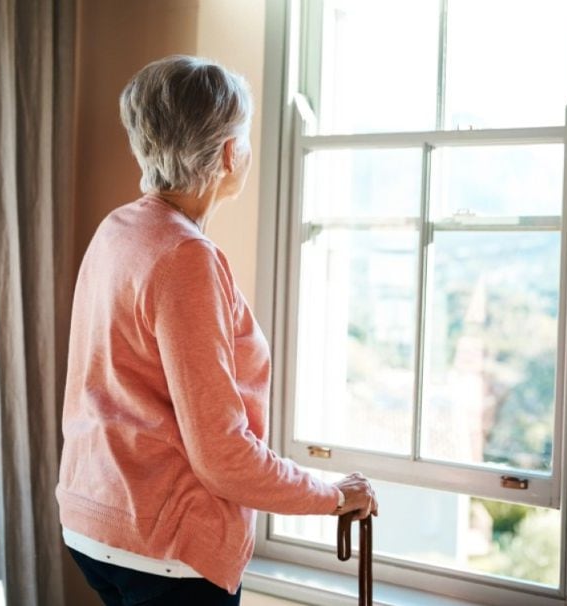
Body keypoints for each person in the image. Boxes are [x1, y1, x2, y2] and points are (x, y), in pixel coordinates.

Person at [56, 55, 377, 606]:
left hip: (92, 522)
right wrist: (331, 495)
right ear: (230, 153)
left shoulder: (120, 229)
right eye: (245, 137)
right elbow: (222, 454)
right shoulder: (186, 258)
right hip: (164, 551)